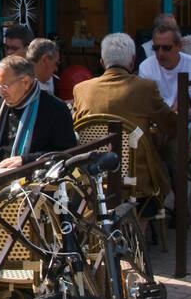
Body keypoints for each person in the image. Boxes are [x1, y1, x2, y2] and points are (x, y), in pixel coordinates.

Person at [72, 33, 176, 203]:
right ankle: (150, 220)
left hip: (94, 174)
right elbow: (170, 125)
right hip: (135, 178)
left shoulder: (81, 89)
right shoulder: (145, 88)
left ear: (102, 62)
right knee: (168, 164)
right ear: (132, 61)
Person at [0, 55, 76, 168]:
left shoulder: (55, 109)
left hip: (36, 178)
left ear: (26, 82)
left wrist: (26, 160)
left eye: (5, 85)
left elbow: (66, 153)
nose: (0, 92)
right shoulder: (1, 106)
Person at [138, 23, 191, 110]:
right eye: (156, 48)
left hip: (187, 121)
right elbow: (147, 106)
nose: (160, 53)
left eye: (166, 48)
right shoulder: (145, 67)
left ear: (179, 47)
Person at [0, 25, 34, 93]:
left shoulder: (37, 68)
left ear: (27, 48)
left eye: (14, 48)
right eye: (7, 47)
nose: (9, 52)